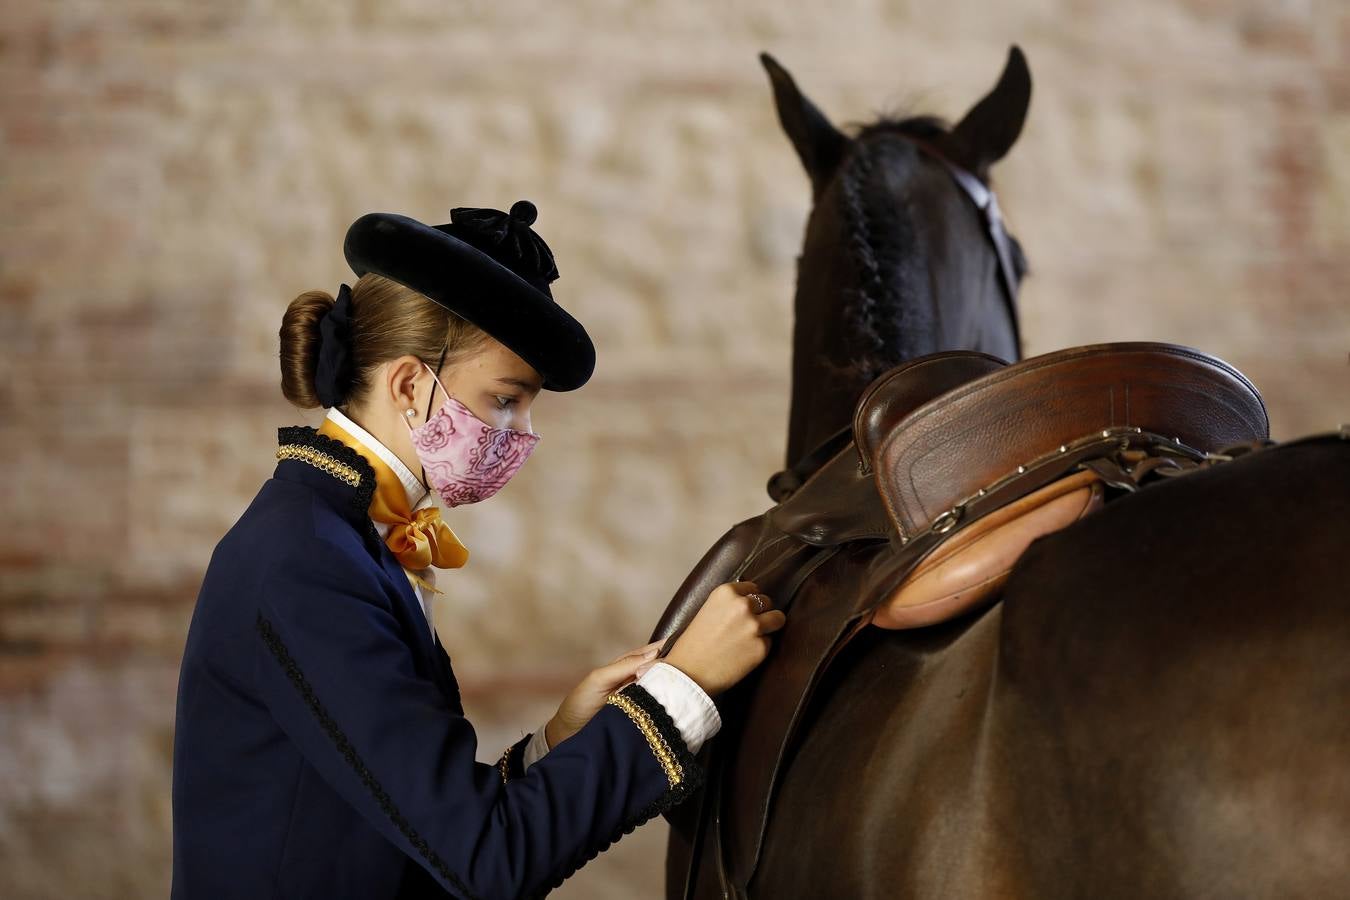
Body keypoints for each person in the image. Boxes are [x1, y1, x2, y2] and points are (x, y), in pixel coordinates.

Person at [169, 200, 785, 899]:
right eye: (504, 400)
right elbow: (487, 861)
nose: (524, 431)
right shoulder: (304, 561)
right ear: (409, 383)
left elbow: (416, 826)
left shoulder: (340, 536)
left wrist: (559, 738)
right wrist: (686, 688)